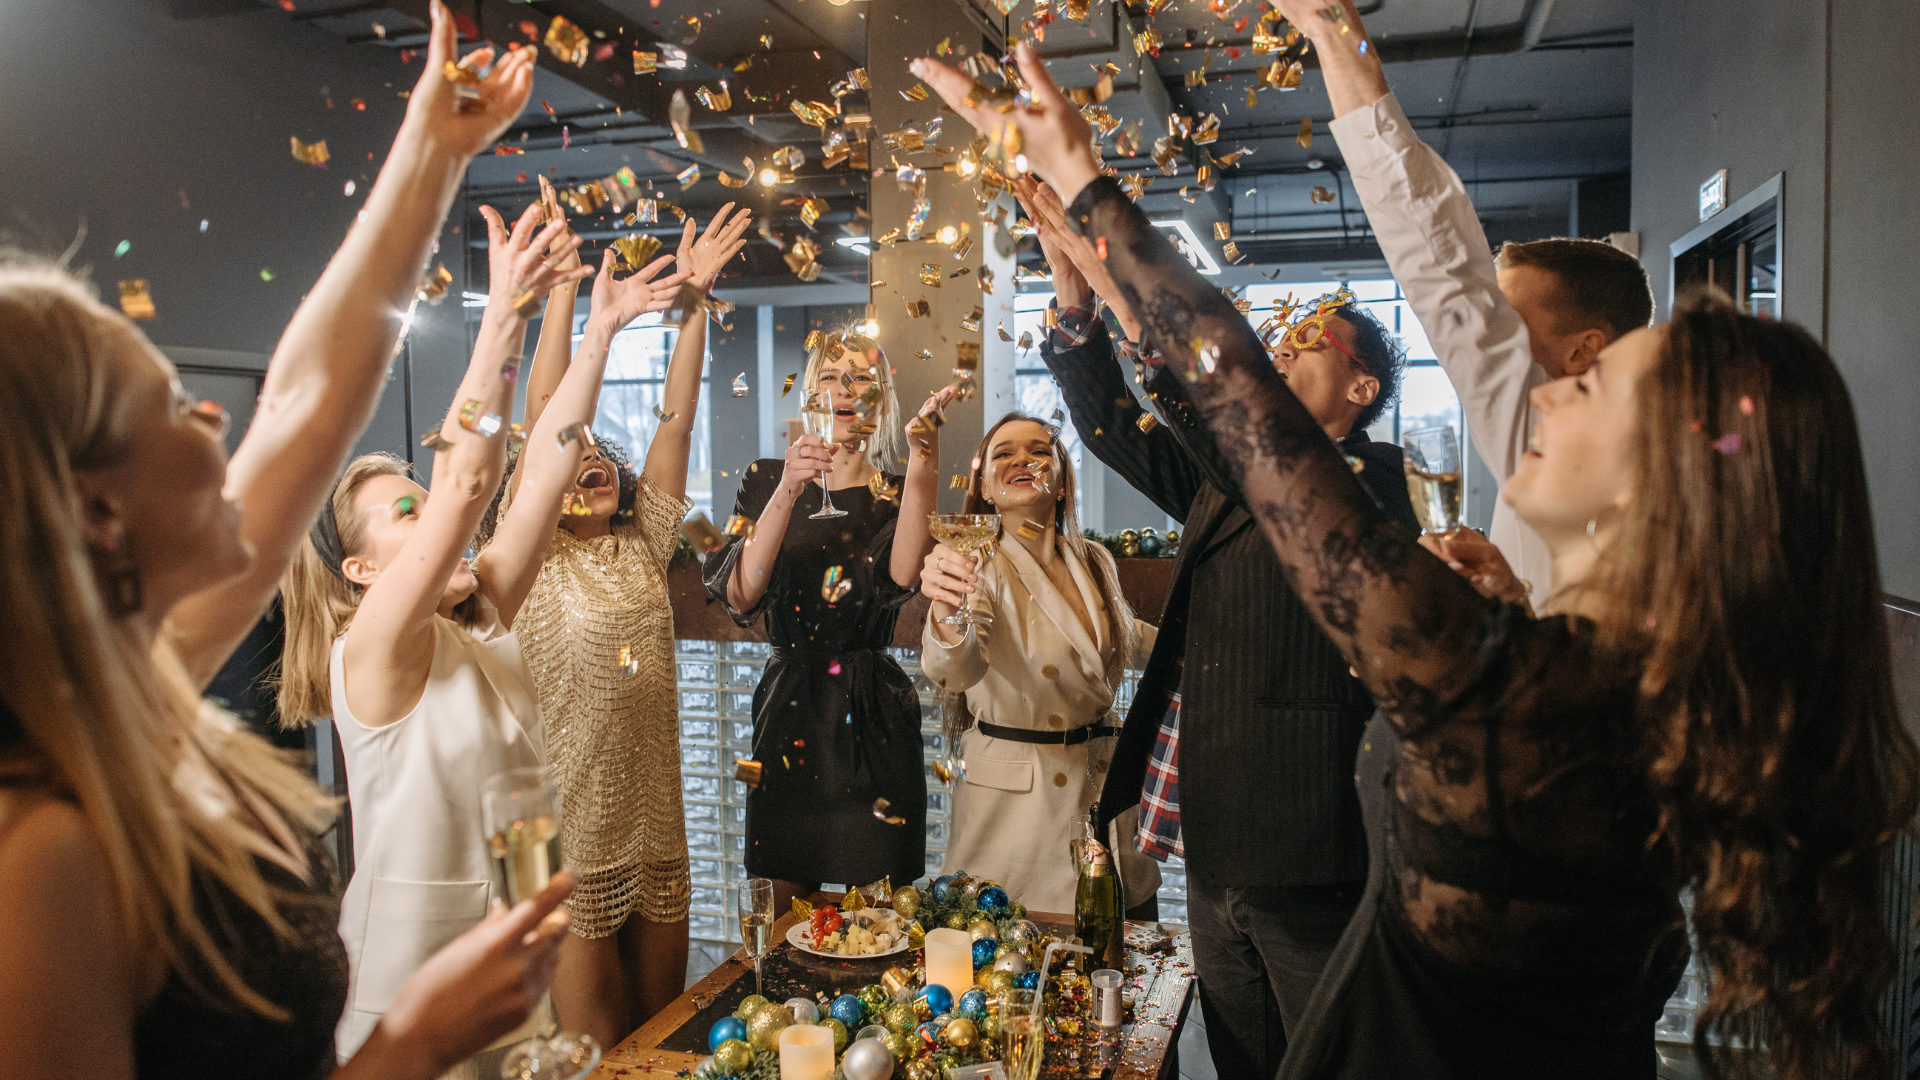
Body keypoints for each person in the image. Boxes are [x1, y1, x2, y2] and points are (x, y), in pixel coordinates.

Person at [915, 31, 1920, 1080]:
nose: (1546, 399)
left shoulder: (1521, 699)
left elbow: (1243, 405)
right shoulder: (1601, 678)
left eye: (1590, 387)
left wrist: (1091, 192)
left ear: (1662, 482)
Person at [0, 5, 583, 1079]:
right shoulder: (38, 846)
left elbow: (307, 401)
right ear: (96, 515)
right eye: (171, 405)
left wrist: (433, 151)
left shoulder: (139, 678)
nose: (220, 420)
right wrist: (412, 1042)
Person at [1013, 170, 1419, 1073]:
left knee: (1329, 1060)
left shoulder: (1374, 480)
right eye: (1287, 334)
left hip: (1309, 842)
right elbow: (1116, 433)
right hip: (1215, 836)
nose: (1286, 345)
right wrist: (1076, 307)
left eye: (1315, 340)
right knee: (1239, 1058)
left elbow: (1241, 443)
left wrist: (1128, 292)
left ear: (1361, 388)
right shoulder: (1224, 480)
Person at [278, 196, 685, 1068]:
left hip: (509, 986)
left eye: (424, 503)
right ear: (362, 572)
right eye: (408, 515)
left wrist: (601, 334)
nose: (437, 520)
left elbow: (542, 469)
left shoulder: (483, 619)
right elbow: (468, 484)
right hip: (408, 996)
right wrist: (505, 314)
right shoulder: (371, 652)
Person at [488, 202, 749, 1048]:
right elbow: (549, 415)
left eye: (602, 453)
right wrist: (567, 296)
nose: (590, 458)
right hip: (573, 843)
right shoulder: (532, 561)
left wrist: (694, 302)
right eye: (576, 455)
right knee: (599, 1053)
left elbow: (677, 419)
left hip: (657, 829)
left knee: (661, 1038)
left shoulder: (646, 542)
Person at [1315, 43, 1652, 598]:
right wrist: (1512, 595)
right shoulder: (1609, 467)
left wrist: (1333, 35)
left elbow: (1443, 273)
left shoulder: (1574, 446)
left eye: (1505, 321)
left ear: (1582, 351)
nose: (1485, 333)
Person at [702, 334, 948, 915]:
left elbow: (902, 577)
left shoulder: (894, 491)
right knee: (778, 909)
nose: (845, 388)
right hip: (789, 712)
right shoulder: (764, 476)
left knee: (878, 921)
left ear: (881, 398)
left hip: (874, 715)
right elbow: (742, 591)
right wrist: (789, 488)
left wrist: (924, 462)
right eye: (831, 376)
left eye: (861, 378)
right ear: (811, 393)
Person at [917, 413, 1160, 916]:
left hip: (1104, 790)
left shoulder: (1094, 558)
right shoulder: (978, 563)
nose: (1022, 460)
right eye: (1003, 453)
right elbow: (957, 671)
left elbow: (1129, 637)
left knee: (1119, 947)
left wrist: (1206, 648)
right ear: (985, 489)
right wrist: (944, 608)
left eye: (1040, 451)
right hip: (1018, 816)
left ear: (1064, 481)